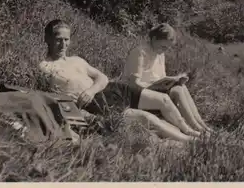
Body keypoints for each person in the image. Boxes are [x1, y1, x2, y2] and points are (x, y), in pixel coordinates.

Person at [38, 19, 198, 142]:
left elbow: (102, 77)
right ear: (47, 39)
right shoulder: (45, 66)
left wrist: (90, 90)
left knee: (164, 99)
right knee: (147, 118)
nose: (63, 44)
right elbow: (55, 95)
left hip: (112, 88)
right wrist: (79, 107)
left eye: (66, 40)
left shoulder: (77, 60)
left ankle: (189, 130)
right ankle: (189, 140)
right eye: (59, 39)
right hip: (99, 102)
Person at [122, 23, 213, 134]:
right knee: (177, 90)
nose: (164, 50)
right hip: (138, 92)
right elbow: (134, 83)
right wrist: (154, 86)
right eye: (163, 47)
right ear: (154, 38)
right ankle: (194, 127)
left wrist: (175, 79)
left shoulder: (160, 54)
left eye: (167, 48)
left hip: (153, 88)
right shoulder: (140, 52)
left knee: (181, 86)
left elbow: (161, 77)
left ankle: (200, 123)